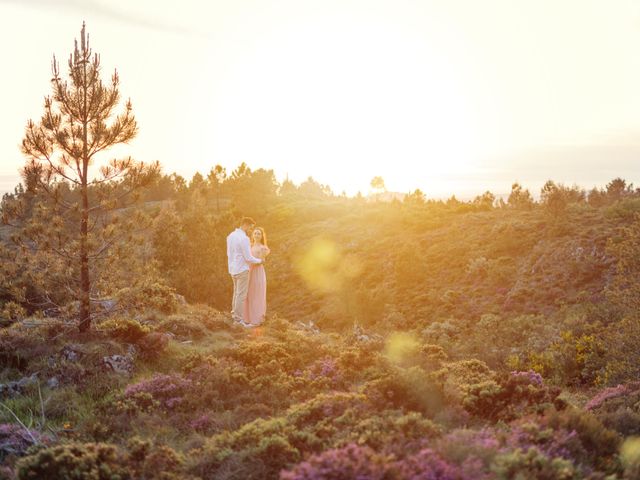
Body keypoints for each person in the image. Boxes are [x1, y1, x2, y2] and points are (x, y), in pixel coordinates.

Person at [226, 217, 262, 326]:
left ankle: (234, 316)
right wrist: (260, 261)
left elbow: (229, 254)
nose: (250, 230)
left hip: (233, 269)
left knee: (236, 293)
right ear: (245, 224)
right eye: (250, 227)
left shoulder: (230, 236)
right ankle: (238, 320)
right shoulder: (244, 238)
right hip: (242, 269)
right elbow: (248, 258)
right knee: (241, 295)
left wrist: (231, 266)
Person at [244, 227, 270, 326]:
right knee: (248, 295)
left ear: (261, 236)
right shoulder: (249, 246)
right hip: (248, 272)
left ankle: (256, 321)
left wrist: (252, 262)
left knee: (256, 295)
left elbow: (262, 261)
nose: (256, 235)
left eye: (259, 233)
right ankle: (247, 319)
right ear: (252, 235)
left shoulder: (263, 248)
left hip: (257, 272)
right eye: (255, 233)